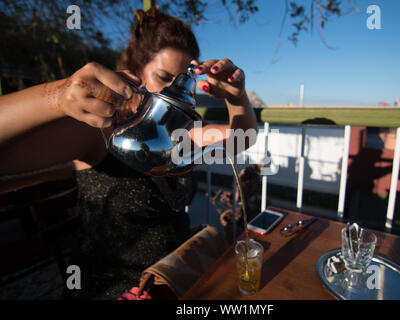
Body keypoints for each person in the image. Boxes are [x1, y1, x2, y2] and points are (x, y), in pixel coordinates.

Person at [0, 7, 257, 299]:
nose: (175, 90)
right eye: (163, 77)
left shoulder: (181, 134)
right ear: (137, 73)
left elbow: (241, 140)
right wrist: (55, 96)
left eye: (182, 82)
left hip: (173, 277)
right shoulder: (98, 130)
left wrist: (237, 96)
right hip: (110, 289)